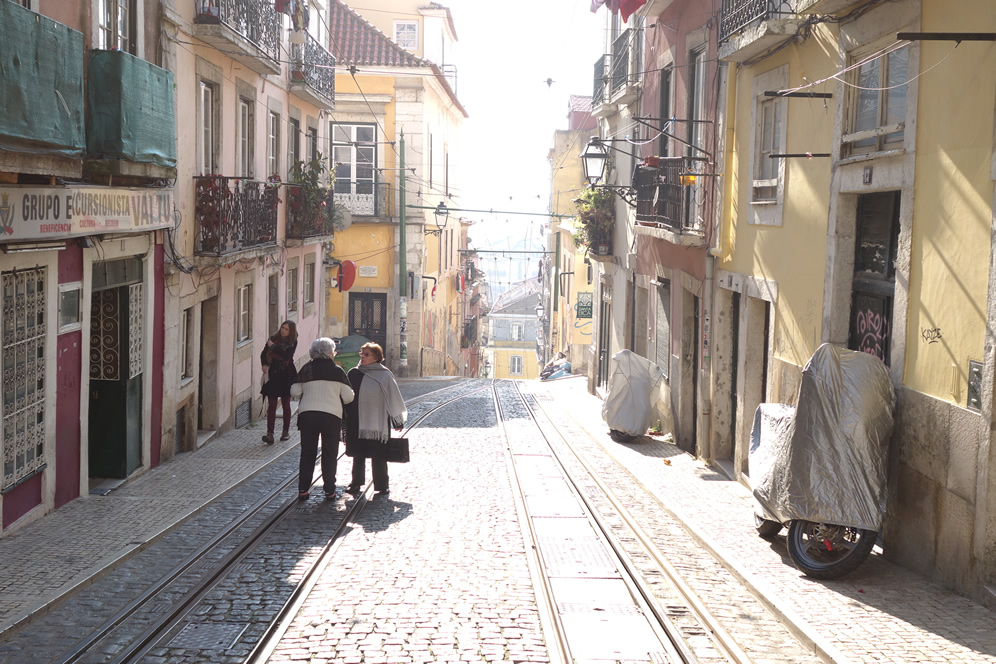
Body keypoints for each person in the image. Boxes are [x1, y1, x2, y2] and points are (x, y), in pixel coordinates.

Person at [290, 338, 354, 501]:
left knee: (308, 453)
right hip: (331, 416)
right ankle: (329, 490)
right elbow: (348, 397)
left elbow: (295, 391)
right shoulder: (337, 371)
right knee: (329, 453)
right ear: (330, 353)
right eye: (334, 351)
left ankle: (303, 489)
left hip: (308, 415)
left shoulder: (307, 369)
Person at [343, 342, 406, 498]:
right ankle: (356, 482)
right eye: (362, 354)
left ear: (376, 358)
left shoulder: (385, 375)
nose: (362, 357)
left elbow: (393, 397)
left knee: (379, 454)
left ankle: (382, 485)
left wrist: (397, 420)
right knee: (358, 453)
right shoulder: (353, 373)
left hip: (377, 422)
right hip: (357, 419)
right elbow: (346, 397)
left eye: (367, 355)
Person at [260, 320, 298, 444]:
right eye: (282, 327)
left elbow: (286, 355)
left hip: (286, 375)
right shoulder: (273, 339)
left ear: (291, 331)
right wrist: (264, 364)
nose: (283, 330)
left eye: (286, 329)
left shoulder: (293, 342)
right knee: (271, 405)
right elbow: (263, 354)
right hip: (274, 374)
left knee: (286, 404)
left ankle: (285, 431)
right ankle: (269, 433)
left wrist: (272, 346)